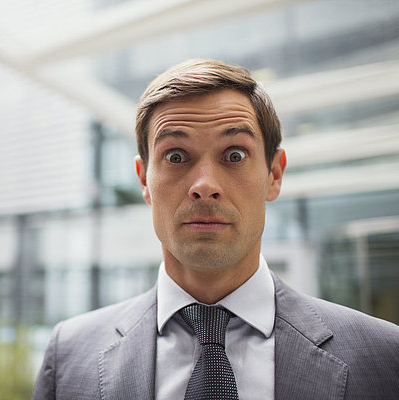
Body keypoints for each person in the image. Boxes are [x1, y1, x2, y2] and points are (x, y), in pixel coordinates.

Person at [32, 59, 399, 400]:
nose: (205, 184)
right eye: (176, 156)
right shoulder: (68, 355)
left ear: (274, 174)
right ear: (144, 180)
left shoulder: (385, 356)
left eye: (234, 155)